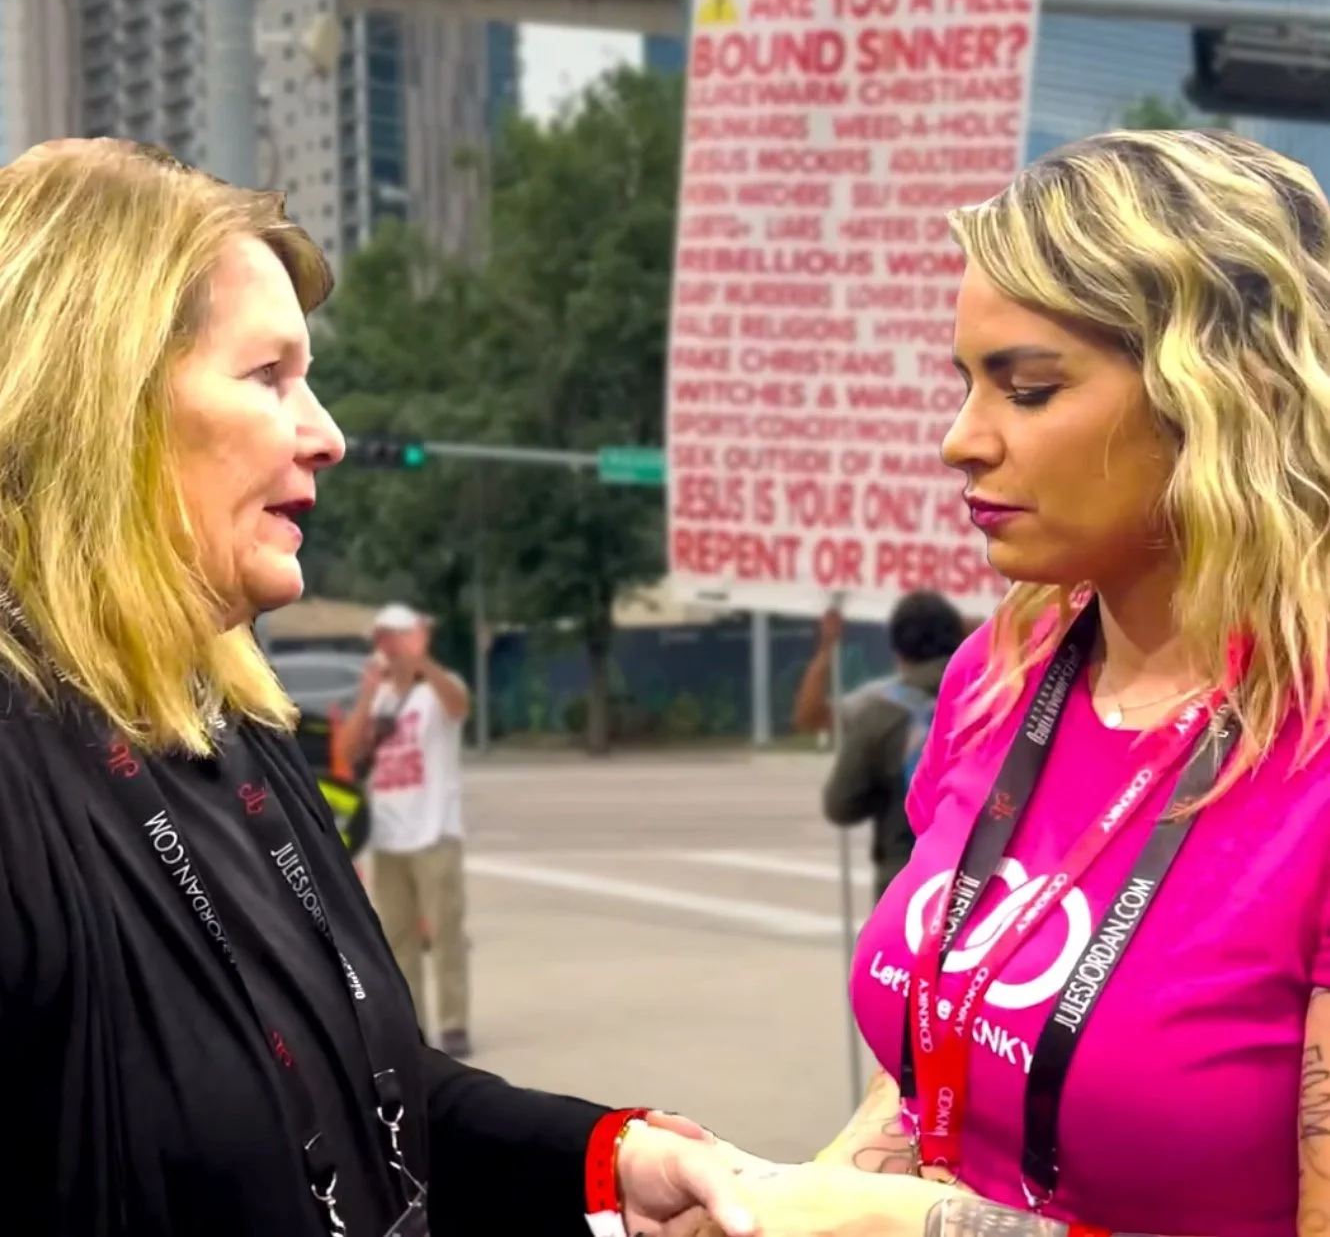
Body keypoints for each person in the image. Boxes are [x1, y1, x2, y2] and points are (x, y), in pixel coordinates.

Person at [0, 137, 760, 1237]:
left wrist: (605, 1161)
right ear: (98, 401)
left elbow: (363, 1096)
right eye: (270, 377)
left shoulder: (233, 726)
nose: (329, 436)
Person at [683, 127, 1330, 1237]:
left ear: (1222, 395)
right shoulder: (1001, 672)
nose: (957, 441)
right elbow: (934, 1078)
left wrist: (913, 1231)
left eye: (1027, 389)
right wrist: (773, 1207)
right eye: (965, 381)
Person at [342, 604, 473, 1057]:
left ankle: (454, 1024)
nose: (388, 648)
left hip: (435, 829)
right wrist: (366, 695)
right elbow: (348, 749)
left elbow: (459, 707)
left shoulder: (439, 689)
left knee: (445, 933)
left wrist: (424, 664)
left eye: (396, 638)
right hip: (389, 835)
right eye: (382, 639)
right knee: (397, 939)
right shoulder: (379, 697)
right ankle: (414, 1030)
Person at [792, 593, 967, 899]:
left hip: (906, 883)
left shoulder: (877, 710)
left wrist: (826, 648)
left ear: (897, 650)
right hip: (985, 881)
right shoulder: (997, 694)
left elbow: (841, 806)